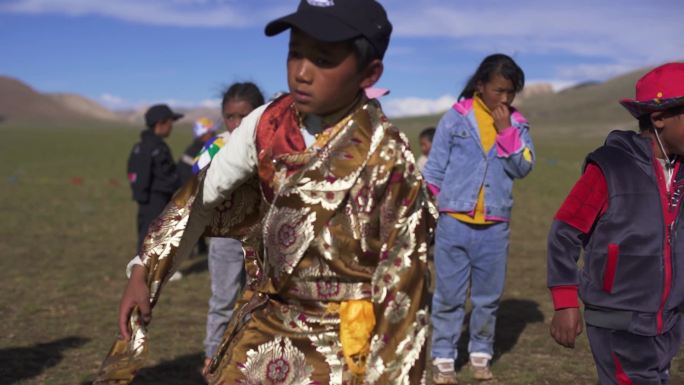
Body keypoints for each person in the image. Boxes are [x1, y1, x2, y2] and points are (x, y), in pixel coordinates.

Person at [95, 1, 435, 384]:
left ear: (368, 73)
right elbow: (201, 196)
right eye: (295, 54)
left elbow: (405, 296)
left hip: (343, 348)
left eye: (323, 59)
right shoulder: (268, 122)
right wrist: (145, 268)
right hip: (263, 329)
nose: (301, 73)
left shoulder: (389, 161)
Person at [547, 62, 684, 385]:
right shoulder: (609, 168)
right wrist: (565, 302)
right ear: (659, 118)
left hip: (669, 320)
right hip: (619, 320)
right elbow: (564, 233)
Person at [423, 53, 534, 384]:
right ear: (481, 85)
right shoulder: (455, 119)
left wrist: (506, 134)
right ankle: (443, 359)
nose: (504, 98)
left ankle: (480, 357)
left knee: (487, 298)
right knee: (448, 296)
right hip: (454, 221)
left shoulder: (517, 125)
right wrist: (432, 213)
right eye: (498, 90)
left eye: (510, 92)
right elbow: (434, 170)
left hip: (495, 225)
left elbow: (524, 167)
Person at [196, 83, 265, 378]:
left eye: (243, 116)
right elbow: (200, 191)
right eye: (230, 117)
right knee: (223, 299)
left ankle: (254, 360)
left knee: (260, 300)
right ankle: (213, 358)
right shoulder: (215, 148)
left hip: (263, 238)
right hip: (225, 238)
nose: (236, 124)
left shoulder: (272, 144)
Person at [126, 104, 183, 253]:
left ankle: (149, 271)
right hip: (157, 198)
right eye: (170, 123)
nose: (172, 127)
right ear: (161, 123)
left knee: (148, 232)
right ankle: (144, 273)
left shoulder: (140, 146)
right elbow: (167, 175)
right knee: (152, 236)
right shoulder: (157, 148)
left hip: (145, 199)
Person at [178, 117, 218, 186]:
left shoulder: (208, 148)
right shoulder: (194, 152)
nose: (214, 135)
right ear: (202, 134)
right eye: (211, 132)